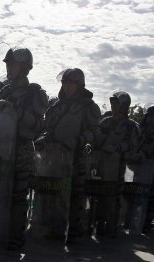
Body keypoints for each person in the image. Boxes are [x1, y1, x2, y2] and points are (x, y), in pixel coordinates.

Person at [0, 47, 47, 249]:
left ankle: (14, 238)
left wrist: (15, 112)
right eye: (8, 64)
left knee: (17, 197)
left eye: (13, 64)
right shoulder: (2, 92)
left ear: (25, 67)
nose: (9, 67)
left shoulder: (34, 93)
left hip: (21, 149)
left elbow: (38, 125)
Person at [38, 67, 100, 240]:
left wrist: (77, 140)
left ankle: (74, 230)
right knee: (54, 192)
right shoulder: (56, 106)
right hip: (55, 157)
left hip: (77, 157)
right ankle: (54, 228)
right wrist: (42, 140)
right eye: (64, 83)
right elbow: (48, 129)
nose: (66, 86)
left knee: (75, 194)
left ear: (79, 85)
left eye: (70, 83)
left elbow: (95, 132)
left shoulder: (89, 106)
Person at [95, 90, 140, 237]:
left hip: (118, 166)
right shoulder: (105, 121)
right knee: (99, 195)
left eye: (116, 103)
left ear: (124, 106)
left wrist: (117, 148)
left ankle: (112, 227)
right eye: (112, 103)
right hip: (101, 164)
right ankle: (98, 226)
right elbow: (96, 139)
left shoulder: (131, 126)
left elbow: (133, 145)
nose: (113, 106)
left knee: (113, 198)